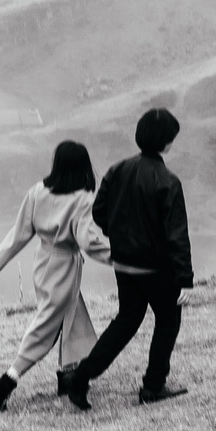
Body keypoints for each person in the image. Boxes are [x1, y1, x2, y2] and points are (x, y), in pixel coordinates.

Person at [58, 107, 191, 409]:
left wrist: (119, 237)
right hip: (157, 269)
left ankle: (81, 378)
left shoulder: (117, 170)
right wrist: (185, 279)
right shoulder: (168, 181)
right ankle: (153, 386)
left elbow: (99, 214)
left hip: (123, 265)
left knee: (126, 321)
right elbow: (177, 235)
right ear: (167, 142)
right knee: (168, 321)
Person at [0, 140, 112, 410]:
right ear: (84, 166)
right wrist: (123, 257)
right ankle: (6, 382)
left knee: (70, 316)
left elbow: (19, 234)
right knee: (48, 324)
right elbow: (88, 241)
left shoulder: (38, 190)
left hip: (44, 260)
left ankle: (68, 376)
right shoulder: (84, 198)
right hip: (64, 263)